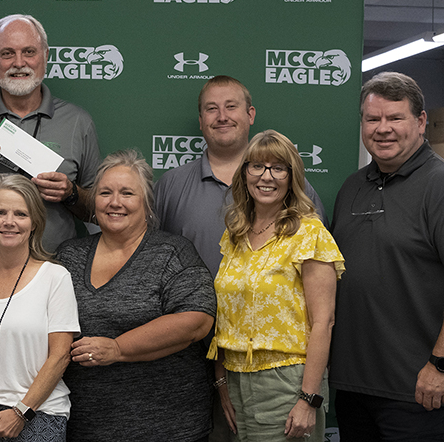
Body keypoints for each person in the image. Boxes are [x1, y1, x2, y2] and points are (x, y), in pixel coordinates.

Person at [56, 149, 216, 441]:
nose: (115, 202)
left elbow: (197, 320)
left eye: (127, 193)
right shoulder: (70, 255)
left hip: (168, 426)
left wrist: (117, 348)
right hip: (87, 425)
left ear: (146, 204)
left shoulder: (172, 252)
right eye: (105, 193)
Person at [207, 130, 343, 442]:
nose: (266, 176)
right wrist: (222, 381)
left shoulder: (309, 233)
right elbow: (226, 314)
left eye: (278, 168)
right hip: (236, 378)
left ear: (291, 176)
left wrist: (308, 400)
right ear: (245, 174)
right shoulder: (235, 235)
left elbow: (324, 321)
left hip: (288, 380)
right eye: (257, 166)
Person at [330, 72, 444, 439]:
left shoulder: (437, 185)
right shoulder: (352, 187)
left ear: (421, 121)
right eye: (373, 119)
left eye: (395, 118)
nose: (383, 129)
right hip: (353, 386)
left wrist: (439, 366)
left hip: (417, 390)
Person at [0, 13, 101, 252]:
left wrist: (70, 192)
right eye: (7, 53)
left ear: (45, 56)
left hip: (53, 266)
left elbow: (98, 211)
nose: (18, 63)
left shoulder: (78, 121)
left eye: (29, 52)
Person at [153, 75, 328, 278]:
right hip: (190, 310)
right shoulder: (170, 185)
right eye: (211, 109)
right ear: (201, 121)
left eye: (231, 106)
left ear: (250, 115)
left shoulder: (287, 183)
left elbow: (320, 259)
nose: (222, 116)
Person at [0, 173, 79, 441]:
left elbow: (60, 356)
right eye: (0, 212)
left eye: (21, 214)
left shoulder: (55, 277)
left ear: (34, 224)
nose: (9, 222)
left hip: (39, 414)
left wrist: (21, 412)